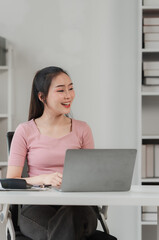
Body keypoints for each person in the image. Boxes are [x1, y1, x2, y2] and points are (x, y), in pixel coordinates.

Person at [7, 66, 97, 240]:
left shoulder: (82, 129)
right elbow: (11, 180)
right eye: (61, 90)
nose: (68, 95)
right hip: (37, 205)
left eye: (71, 88)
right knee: (68, 230)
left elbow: (91, 177)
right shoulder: (25, 131)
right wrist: (43, 179)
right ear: (42, 97)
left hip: (78, 205)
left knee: (71, 214)